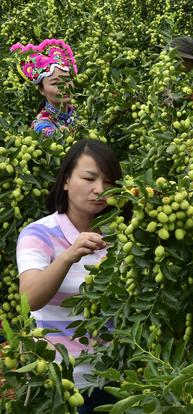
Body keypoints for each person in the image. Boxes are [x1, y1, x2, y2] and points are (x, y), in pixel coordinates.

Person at [16, 139, 123, 412]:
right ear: (65, 180)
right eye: (89, 178)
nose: (99, 190)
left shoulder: (121, 234)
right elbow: (30, 298)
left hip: (114, 376)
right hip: (61, 380)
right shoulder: (39, 233)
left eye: (108, 182)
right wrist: (67, 256)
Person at [10, 39, 78, 136]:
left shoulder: (73, 111)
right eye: (55, 83)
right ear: (42, 90)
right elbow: (46, 133)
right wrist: (57, 134)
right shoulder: (41, 124)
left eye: (67, 81)